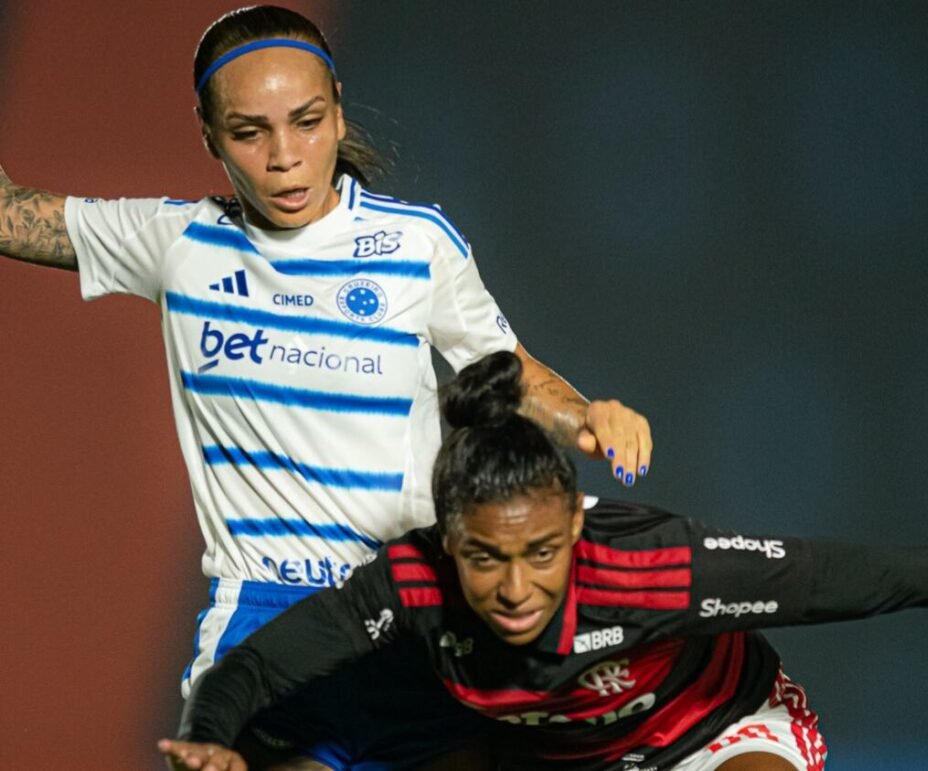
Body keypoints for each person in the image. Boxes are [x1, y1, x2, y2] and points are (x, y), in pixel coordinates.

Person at [0, 6, 652, 769]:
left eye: (306, 121)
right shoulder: (176, 243)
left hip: (412, 604)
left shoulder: (416, 246)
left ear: (339, 111)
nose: (284, 156)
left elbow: (506, 374)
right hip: (267, 620)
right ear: (209, 135)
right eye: (249, 132)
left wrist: (584, 417)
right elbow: (8, 215)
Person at [161, 350, 928, 771]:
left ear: (575, 528)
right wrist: (209, 735)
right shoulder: (406, 586)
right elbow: (256, 668)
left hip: (719, 733)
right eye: (486, 561)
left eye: (544, 553)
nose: (516, 589)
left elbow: (902, 575)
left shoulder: (655, 569)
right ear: (449, 543)